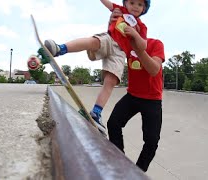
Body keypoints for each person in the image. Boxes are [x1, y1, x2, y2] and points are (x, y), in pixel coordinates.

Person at [44, 0, 151, 134]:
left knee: (110, 81)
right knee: (93, 42)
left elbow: (143, 46)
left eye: (140, 5)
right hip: (110, 39)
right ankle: (60, 49)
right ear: (125, 3)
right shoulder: (120, 10)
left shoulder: (141, 26)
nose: (135, 7)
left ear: (144, 9)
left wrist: (135, 34)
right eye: (132, 2)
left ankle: (96, 113)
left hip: (120, 52)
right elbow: (107, 4)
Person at [107, 7, 165, 172]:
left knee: (152, 141)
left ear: (141, 27)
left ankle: (137, 172)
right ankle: (120, 162)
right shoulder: (126, 44)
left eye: (133, 26)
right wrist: (111, 22)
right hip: (132, 96)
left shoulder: (156, 44)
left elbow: (154, 69)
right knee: (113, 123)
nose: (129, 29)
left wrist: (139, 49)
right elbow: (110, 41)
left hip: (152, 99)